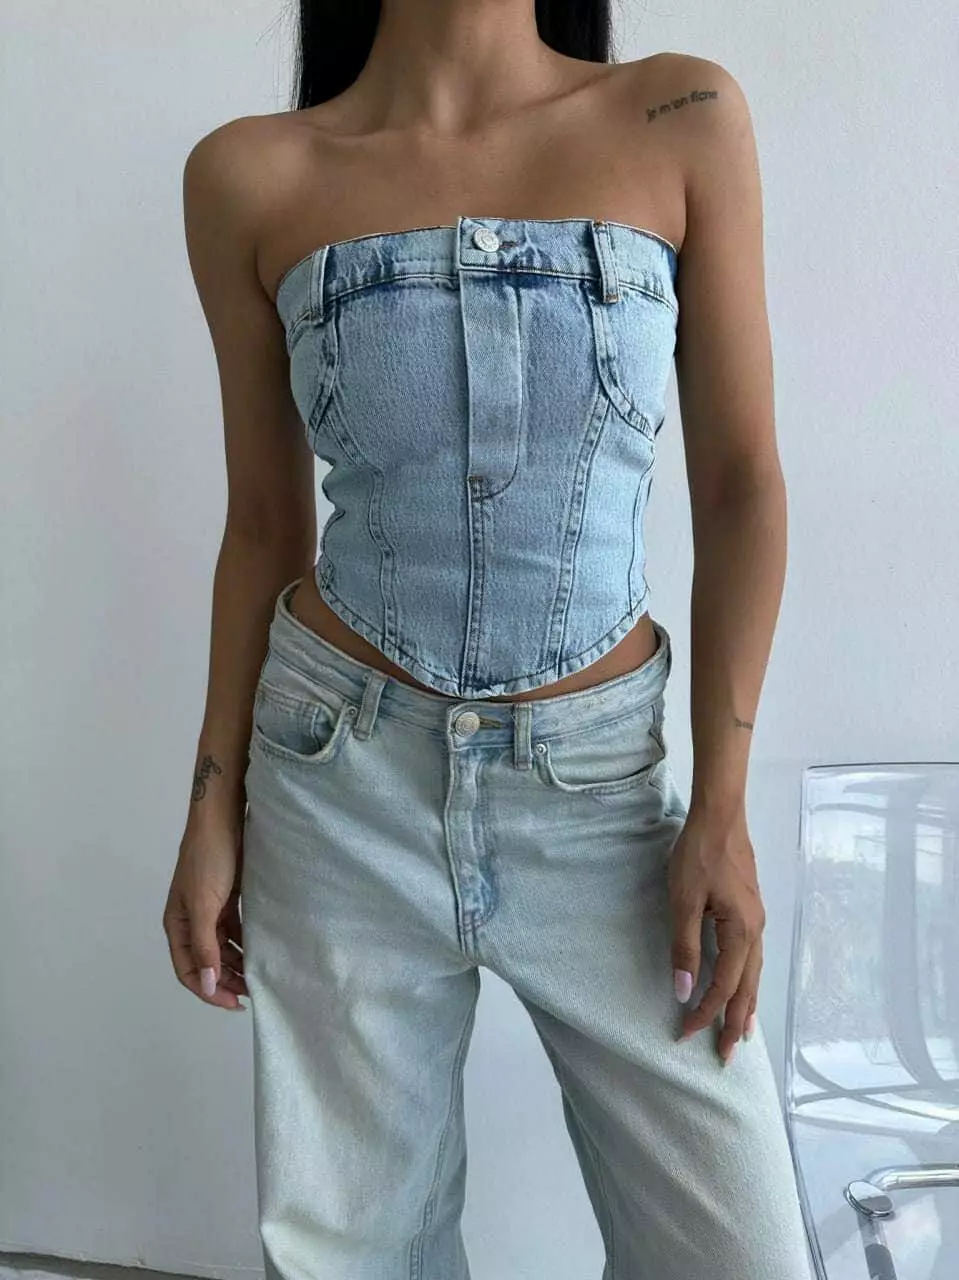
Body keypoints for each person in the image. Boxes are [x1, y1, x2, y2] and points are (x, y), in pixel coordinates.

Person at [163, 3, 812, 1277]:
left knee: (738, 1249)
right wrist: (211, 806)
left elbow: (744, 485)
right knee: (352, 1253)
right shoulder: (249, 173)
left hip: (602, 792)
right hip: (338, 787)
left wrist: (721, 807)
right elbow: (260, 527)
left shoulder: (679, 116)